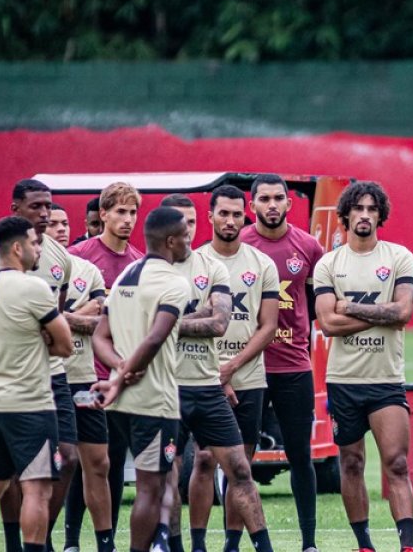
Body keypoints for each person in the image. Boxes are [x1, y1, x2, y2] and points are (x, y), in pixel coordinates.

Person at [0, 179, 79, 552]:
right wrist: (42, 336)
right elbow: (63, 344)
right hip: (31, 398)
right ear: (17, 247)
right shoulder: (33, 287)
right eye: (32, 243)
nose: (39, 246)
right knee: (37, 486)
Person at [313, 181, 413, 552]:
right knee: (352, 463)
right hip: (344, 381)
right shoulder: (329, 263)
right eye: (358, 208)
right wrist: (382, 314)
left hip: (386, 380)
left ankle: (408, 545)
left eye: (372, 209)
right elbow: (327, 324)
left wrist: (350, 308)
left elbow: (404, 311)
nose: (364, 215)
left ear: (380, 216)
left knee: (398, 463)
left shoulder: (399, 257)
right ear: (345, 215)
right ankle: (364, 545)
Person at [91, 207, 193, 552]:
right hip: (154, 402)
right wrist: (122, 378)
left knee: (159, 481)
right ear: (170, 241)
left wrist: (119, 369)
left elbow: (99, 338)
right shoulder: (175, 283)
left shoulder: (124, 278)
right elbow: (154, 338)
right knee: (151, 487)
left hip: (120, 405)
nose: (188, 239)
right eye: (184, 234)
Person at [190, 185, 280, 552]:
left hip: (249, 378)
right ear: (210, 216)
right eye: (223, 213)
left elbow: (268, 326)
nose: (230, 220)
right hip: (200, 377)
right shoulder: (192, 262)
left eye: (236, 214)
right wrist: (216, 372)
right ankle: (197, 543)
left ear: (245, 216)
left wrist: (233, 367)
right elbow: (187, 325)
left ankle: (231, 543)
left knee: (239, 465)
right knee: (204, 458)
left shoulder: (262, 265)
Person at [239, 174, 325, 552]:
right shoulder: (239, 245)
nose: (271, 205)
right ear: (251, 205)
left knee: (300, 456)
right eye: (264, 199)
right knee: (240, 460)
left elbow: (316, 305)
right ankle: (232, 541)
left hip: (293, 369)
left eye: (278, 199)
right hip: (247, 370)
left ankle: (308, 542)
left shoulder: (309, 247)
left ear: (290, 204)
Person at [69, 182, 146, 534]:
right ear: (102, 214)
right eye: (120, 212)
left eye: (132, 212)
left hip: (122, 378)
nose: (128, 220)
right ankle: (70, 538)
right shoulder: (79, 257)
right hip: (85, 373)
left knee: (114, 462)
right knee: (78, 462)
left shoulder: (140, 263)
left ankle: (107, 538)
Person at [158, 193, 233, 552]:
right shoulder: (149, 269)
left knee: (231, 467)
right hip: (163, 386)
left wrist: (166, 323)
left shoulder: (211, 266)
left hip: (206, 384)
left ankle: (203, 544)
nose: (186, 230)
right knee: (163, 472)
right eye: (179, 223)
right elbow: (142, 326)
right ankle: (173, 546)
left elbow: (219, 323)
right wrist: (194, 316)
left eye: (191, 222)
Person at [49, 205, 115, 552]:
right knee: (56, 464)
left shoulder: (88, 270)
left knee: (98, 462)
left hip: (84, 380)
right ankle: (45, 537)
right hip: (48, 379)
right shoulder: (30, 270)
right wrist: (80, 312)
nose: (61, 228)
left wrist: (60, 316)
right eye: (54, 223)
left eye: (65, 223)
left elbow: (100, 316)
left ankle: (105, 542)